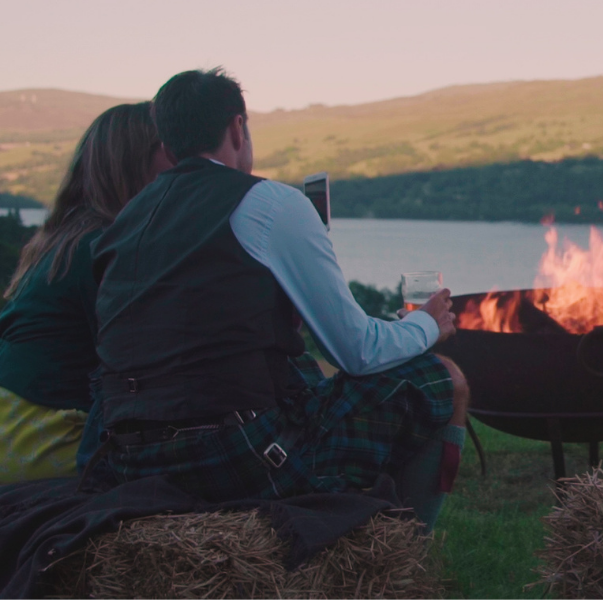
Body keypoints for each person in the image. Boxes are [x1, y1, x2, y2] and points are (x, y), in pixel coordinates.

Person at [81, 69, 469, 529]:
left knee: (302, 375)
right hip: (239, 458)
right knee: (438, 379)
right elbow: (357, 352)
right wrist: (427, 323)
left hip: (130, 462)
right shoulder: (270, 203)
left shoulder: (124, 223)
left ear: (167, 147)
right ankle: (408, 551)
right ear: (237, 129)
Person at [0, 103, 172, 484]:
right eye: (169, 148)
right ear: (136, 162)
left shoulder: (66, 241)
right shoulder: (107, 250)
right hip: (41, 438)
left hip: (12, 424)